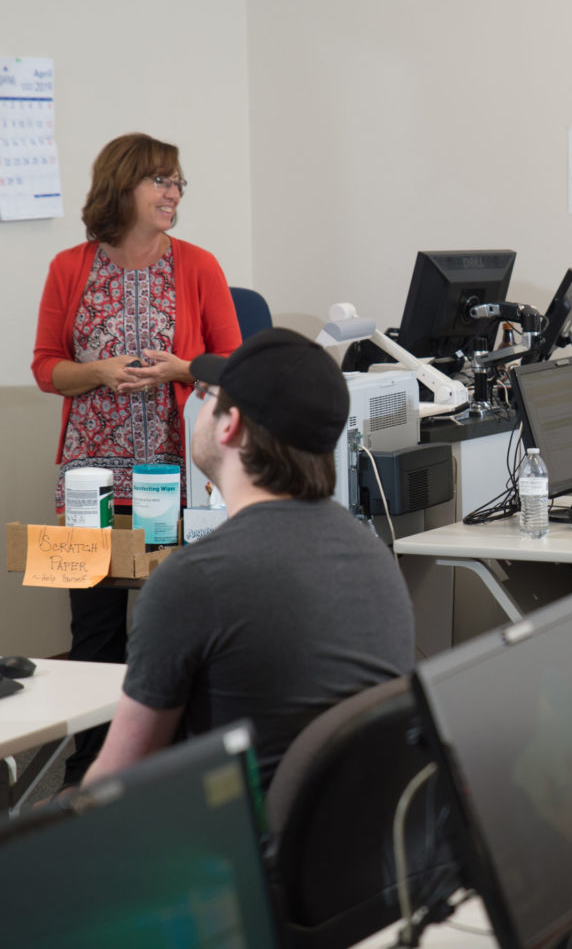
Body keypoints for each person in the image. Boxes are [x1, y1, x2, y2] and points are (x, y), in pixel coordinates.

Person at [80, 327, 415, 789]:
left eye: (208, 394)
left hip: (236, 851)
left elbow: (114, 784)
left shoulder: (194, 580)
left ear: (229, 425)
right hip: (353, 849)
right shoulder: (373, 557)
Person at [31, 133, 242, 784]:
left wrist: (182, 367)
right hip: (87, 478)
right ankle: (86, 774)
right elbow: (45, 369)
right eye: (160, 181)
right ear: (122, 186)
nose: (174, 193)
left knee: (166, 627)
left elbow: (236, 366)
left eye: (178, 182)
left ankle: (165, 770)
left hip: (170, 478)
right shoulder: (70, 266)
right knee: (93, 634)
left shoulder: (198, 265)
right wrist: (95, 370)